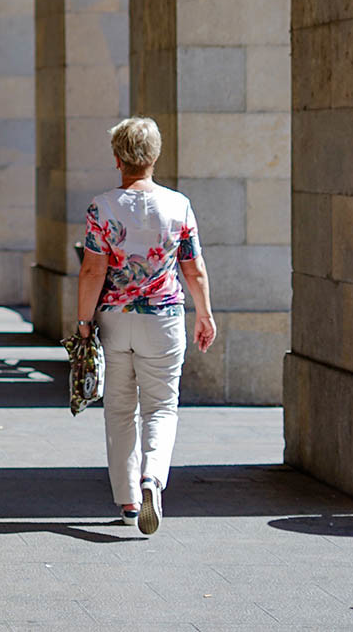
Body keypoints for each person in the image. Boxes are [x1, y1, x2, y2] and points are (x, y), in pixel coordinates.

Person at [75, 117, 216, 535]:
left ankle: (129, 501)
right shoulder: (178, 205)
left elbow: (91, 271)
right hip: (166, 318)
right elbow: (194, 268)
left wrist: (84, 323)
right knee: (161, 407)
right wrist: (205, 313)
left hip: (115, 318)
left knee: (119, 410)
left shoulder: (102, 206)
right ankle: (153, 477)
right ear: (154, 157)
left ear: (118, 159)